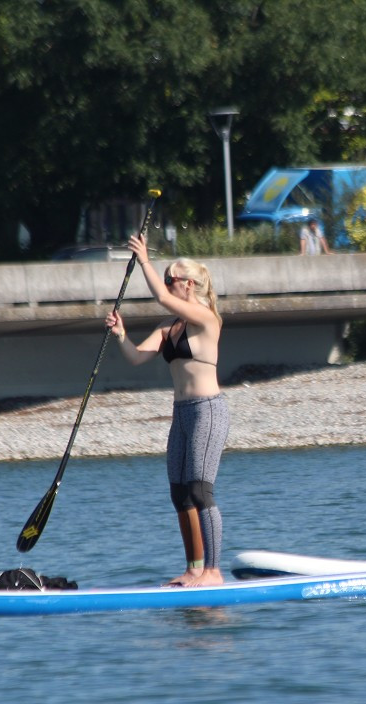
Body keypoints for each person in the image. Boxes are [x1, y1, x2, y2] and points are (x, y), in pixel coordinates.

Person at [106, 233, 229, 587]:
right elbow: (135, 358)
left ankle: (213, 572)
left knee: (200, 490)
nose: (164, 285)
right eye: (164, 279)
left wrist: (143, 258)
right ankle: (193, 568)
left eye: (169, 279)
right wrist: (120, 335)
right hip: (182, 414)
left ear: (188, 285)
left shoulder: (207, 319)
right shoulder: (168, 327)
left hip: (208, 410)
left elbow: (159, 297)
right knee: (179, 492)